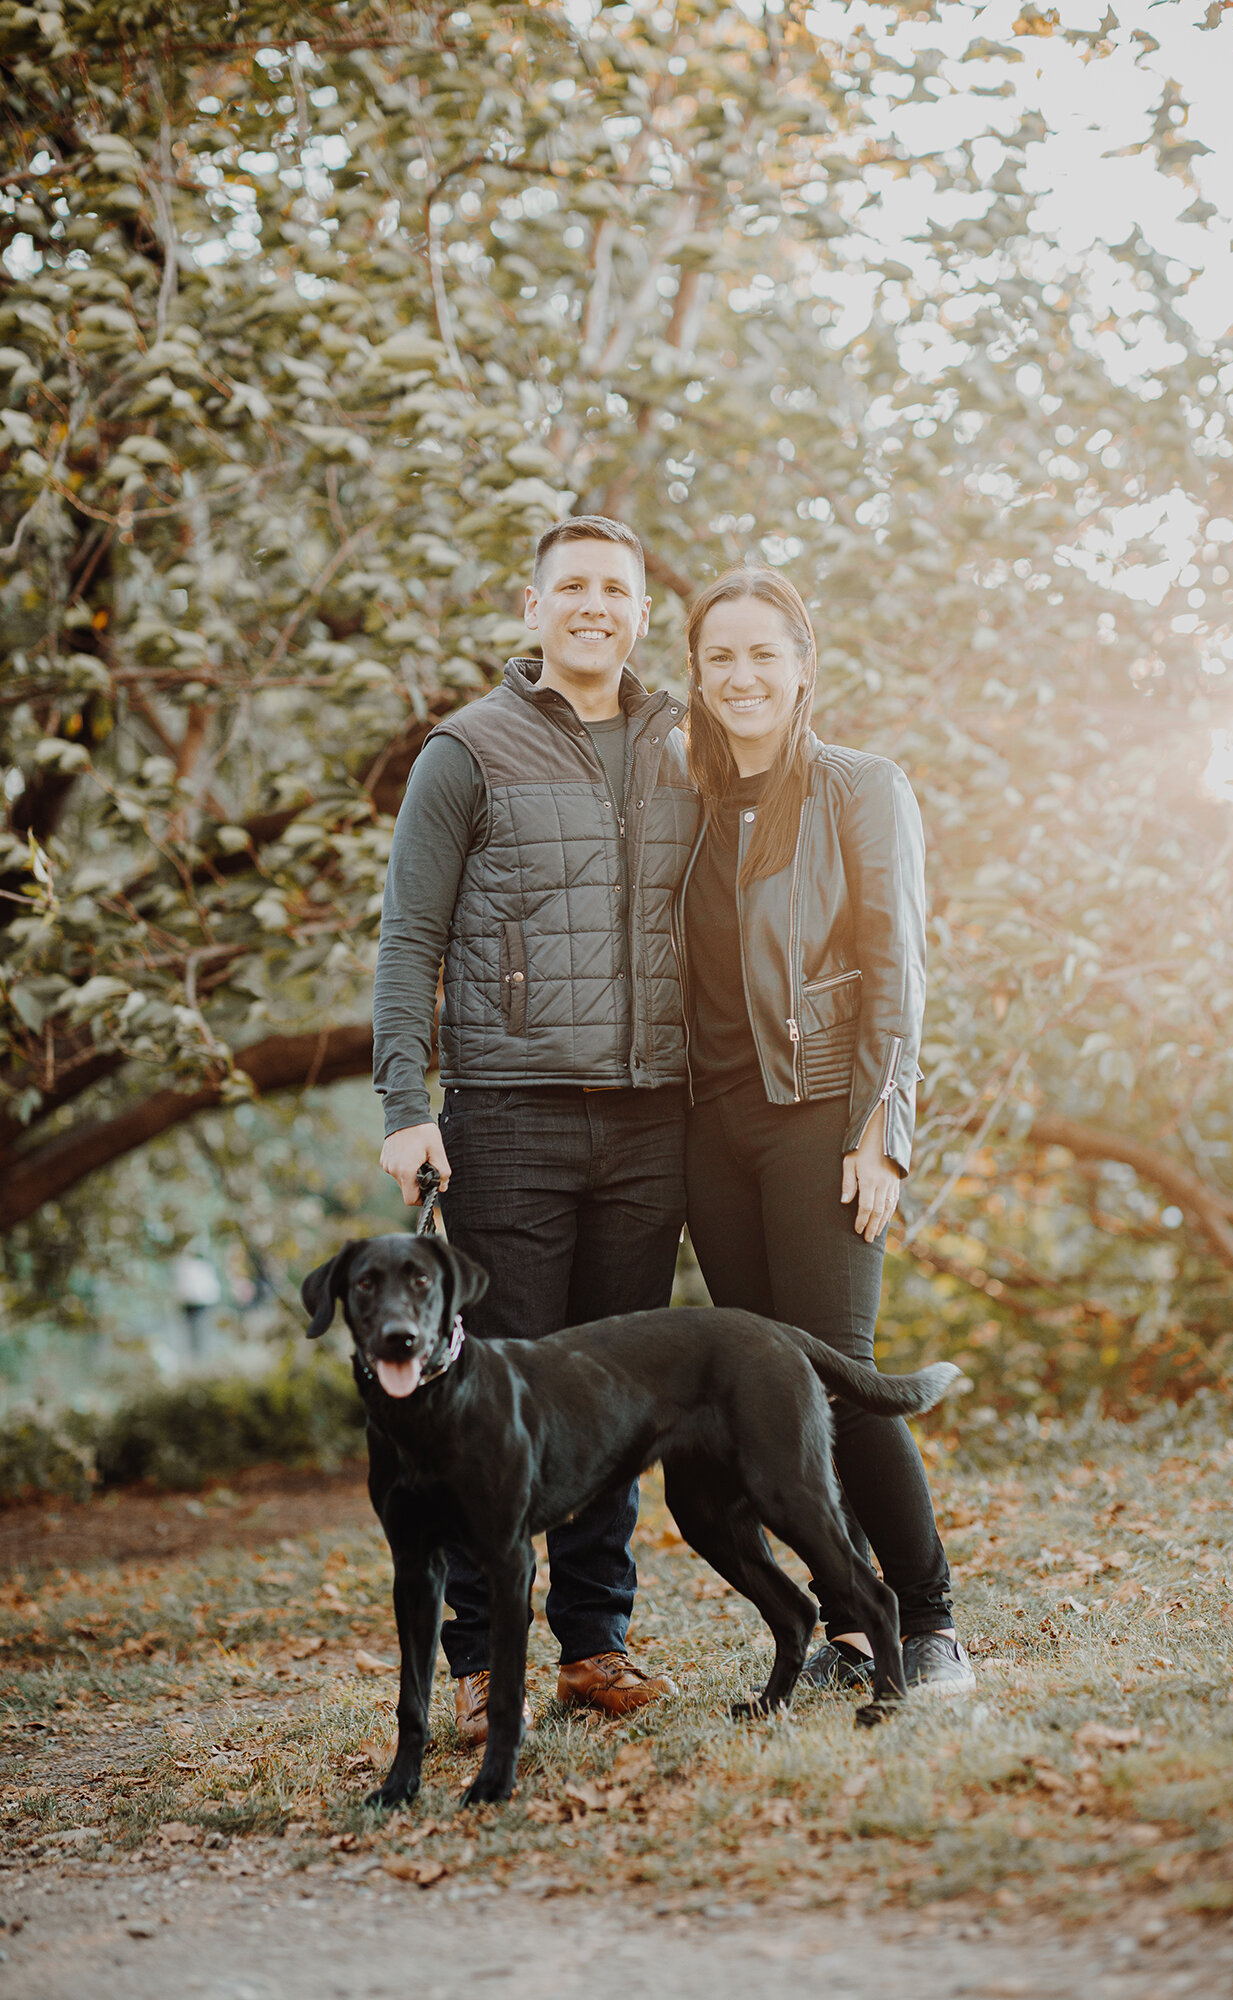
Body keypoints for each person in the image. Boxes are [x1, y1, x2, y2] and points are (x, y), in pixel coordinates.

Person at [372, 515, 699, 1745]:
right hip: (504, 1114)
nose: (595, 605)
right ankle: (473, 1657)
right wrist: (408, 1103)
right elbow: (408, 937)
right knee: (482, 1398)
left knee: (607, 1402)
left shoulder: (685, 744)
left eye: (616, 587)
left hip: (652, 1117)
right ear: (532, 607)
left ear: (640, 610)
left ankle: (595, 1642)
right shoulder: (465, 750)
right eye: (573, 587)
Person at [675, 566, 974, 1695]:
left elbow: (898, 967)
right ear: (696, 679)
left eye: (762, 653)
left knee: (839, 1384)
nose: (741, 675)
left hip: (820, 1117)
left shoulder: (860, 785)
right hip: (715, 1132)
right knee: (765, 1397)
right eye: (719, 658)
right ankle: (856, 1625)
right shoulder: (692, 805)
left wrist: (879, 1130)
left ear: (803, 665)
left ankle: (932, 1621)